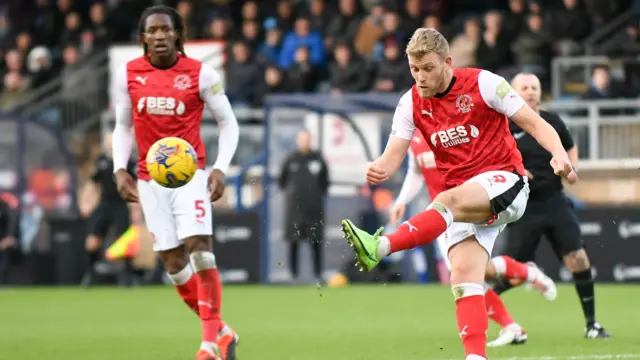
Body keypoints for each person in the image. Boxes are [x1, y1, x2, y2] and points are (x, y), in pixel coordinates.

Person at [340, 27, 576, 360]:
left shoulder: (484, 83)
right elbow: (392, 158)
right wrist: (377, 167)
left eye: (428, 69)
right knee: (463, 277)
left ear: (448, 62)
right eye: (415, 69)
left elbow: (533, 122)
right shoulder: (409, 102)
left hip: (506, 181)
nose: (420, 77)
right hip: (465, 199)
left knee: (446, 201)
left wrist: (559, 153)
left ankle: (380, 246)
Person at [111, 6, 240, 360]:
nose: (160, 36)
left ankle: (209, 345)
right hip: (149, 180)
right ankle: (222, 330)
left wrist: (220, 168)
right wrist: (118, 169)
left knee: (199, 247)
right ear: (143, 38)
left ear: (177, 34)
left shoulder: (201, 74)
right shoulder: (128, 75)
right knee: (172, 264)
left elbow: (228, 123)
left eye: (166, 30)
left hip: (191, 175)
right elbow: (122, 126)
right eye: (152, 30)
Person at [389, 130, 557, 347]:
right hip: (439, 215)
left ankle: (510, 326)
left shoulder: (452, 127)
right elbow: (415, 172)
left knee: (466, 274)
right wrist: (401, 201)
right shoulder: (414, 136)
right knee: (477, 270)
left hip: (468, 205)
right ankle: (526, 273)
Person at [493, 72, 611, 339]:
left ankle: (592, 324)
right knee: (513, 273)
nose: (531, 91)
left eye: (534, 87)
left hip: (555, 202)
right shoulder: (502, 124)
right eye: (524, 87)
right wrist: (516, 171)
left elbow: (570, 147)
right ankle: (487, 310)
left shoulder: (551, 121)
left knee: (578, 259)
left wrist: (572, 169)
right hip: (523, 207)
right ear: (512, 91)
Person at [81, 133, 138, 288]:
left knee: (125, 241)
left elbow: (136, 186)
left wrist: (135, 207)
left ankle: (127, 277)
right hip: (104, 204)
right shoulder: (102, 162)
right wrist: (86, 202)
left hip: (121, 204)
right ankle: (90, 274)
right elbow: (92, 184)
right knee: (93, 240)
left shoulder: (129, 163)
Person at [278, 129, 330, 283]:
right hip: (295, 211)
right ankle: (293, 275)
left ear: (311, 141)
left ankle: (318, 275)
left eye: (307, 139)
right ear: (297, 141)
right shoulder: (290, 159)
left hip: (314, 210)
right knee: (294, 242)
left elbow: (325, 183)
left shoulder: (318, 159)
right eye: (302, 139)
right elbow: (282, 181)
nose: (304, 142)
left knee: (316, 242)